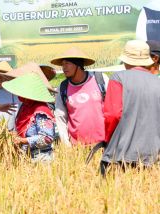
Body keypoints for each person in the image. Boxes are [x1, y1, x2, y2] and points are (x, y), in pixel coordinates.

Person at [100, 40, 160, 175]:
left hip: (122, 154)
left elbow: (113, 115)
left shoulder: (118, 78)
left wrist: (107, 140)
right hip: (153, 156)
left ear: (126, 60)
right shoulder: (157, 82)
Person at [51, 47, 109, 146]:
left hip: (104, 145)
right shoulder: (63, 87)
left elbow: (113, 109)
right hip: (77, 148)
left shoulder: (100, 79)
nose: (64, 67)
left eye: (67, 63)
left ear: (78, 65)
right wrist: (66, 146)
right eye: (62, 64)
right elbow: (60, 117)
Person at [2, 73, 56, 163]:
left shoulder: (41, 110)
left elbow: (47, 138)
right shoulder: (25, 107)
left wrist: (23, 141)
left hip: (41, 158)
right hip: (24, 157)